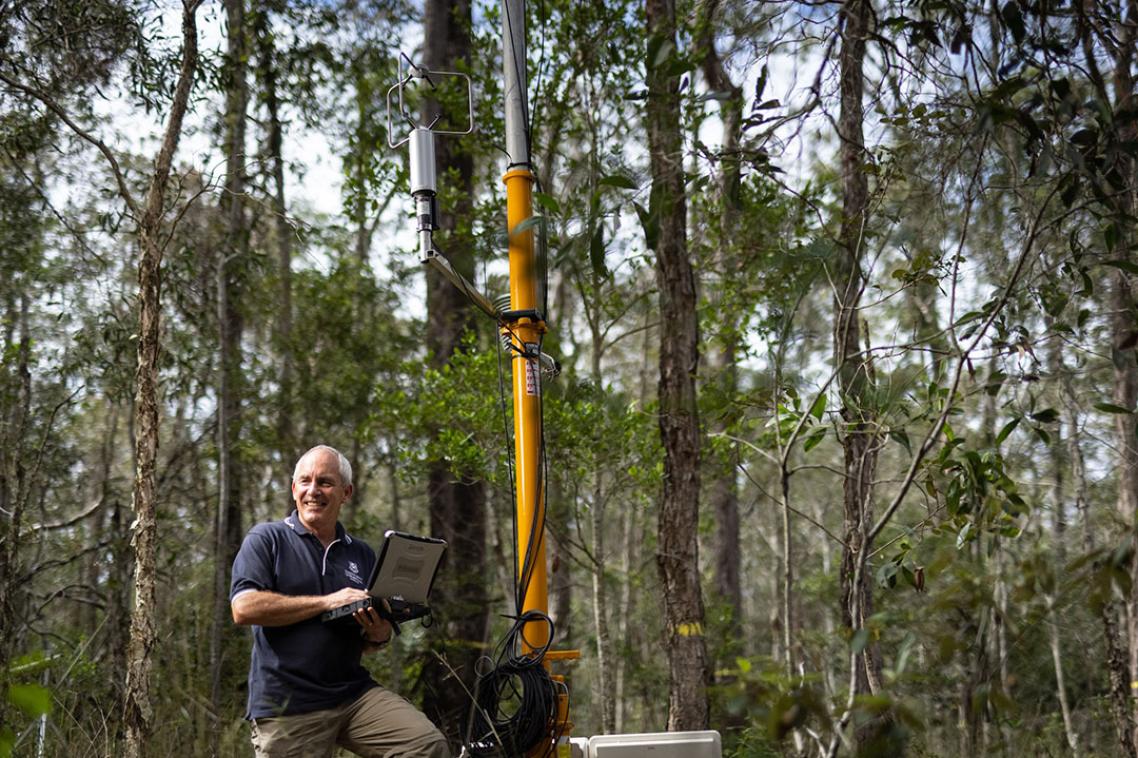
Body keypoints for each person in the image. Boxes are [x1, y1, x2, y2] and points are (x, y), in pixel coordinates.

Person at [231, 444, 449, 758]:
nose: (313, 490)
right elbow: (244, 608)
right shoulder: (267, 539)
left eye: (325, 482)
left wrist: (379, 634)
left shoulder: (360, 553)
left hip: (353, 694)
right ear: (294, 490)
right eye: (305, 481)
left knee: (426, 745)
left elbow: (367, 638)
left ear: (345, 493)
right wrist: (327, 602)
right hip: (290, 704)